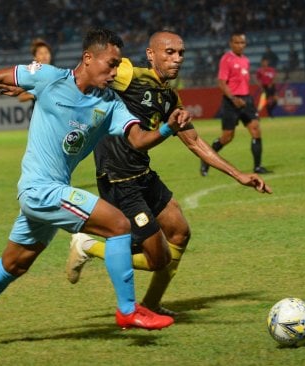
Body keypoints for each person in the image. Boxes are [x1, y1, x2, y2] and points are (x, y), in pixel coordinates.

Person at [0, 27, 183, 349]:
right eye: (111, 63)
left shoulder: (111, 104)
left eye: (118, 65)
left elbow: (139, 140)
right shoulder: (49, 78)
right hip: (39, 189)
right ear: (88, 58)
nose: (115, 72)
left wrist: (168, 127)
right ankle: (129, 311)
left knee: (15, 264)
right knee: (119, 225)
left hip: (53, 190)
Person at [64, 31, 272, 315]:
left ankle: (151, 304)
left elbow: (195, 142)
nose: (177, 59)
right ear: (151, 54)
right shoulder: (128, 74)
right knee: (156, 258)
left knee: (180, 233)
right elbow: (89, 68)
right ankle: (87, 245)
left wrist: (240, 175)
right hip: (118, 178)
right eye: (169, 52)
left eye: (181, 53)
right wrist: (39, 85)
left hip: (142, 172)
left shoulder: (169, 96)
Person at [201, 31, 271, 176]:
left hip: (246, 100)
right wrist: (233, 99)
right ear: (231, 44)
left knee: (256, 130)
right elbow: (221, 83)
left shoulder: (245, 60)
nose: (240, 45)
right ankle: (206, 160)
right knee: (227, 137)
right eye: (237, 42)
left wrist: (245, 98)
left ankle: (257, 167)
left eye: (242, 43)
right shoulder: (227, 59)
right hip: (231, 102)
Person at [17, 38, 53, 103]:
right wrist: (35, 95)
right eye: (41, 53)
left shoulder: (57, 74)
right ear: (35, 57)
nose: (44, 56)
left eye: (46, 52)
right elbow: (21, 97)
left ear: (50, 55)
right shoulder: (32, 75)